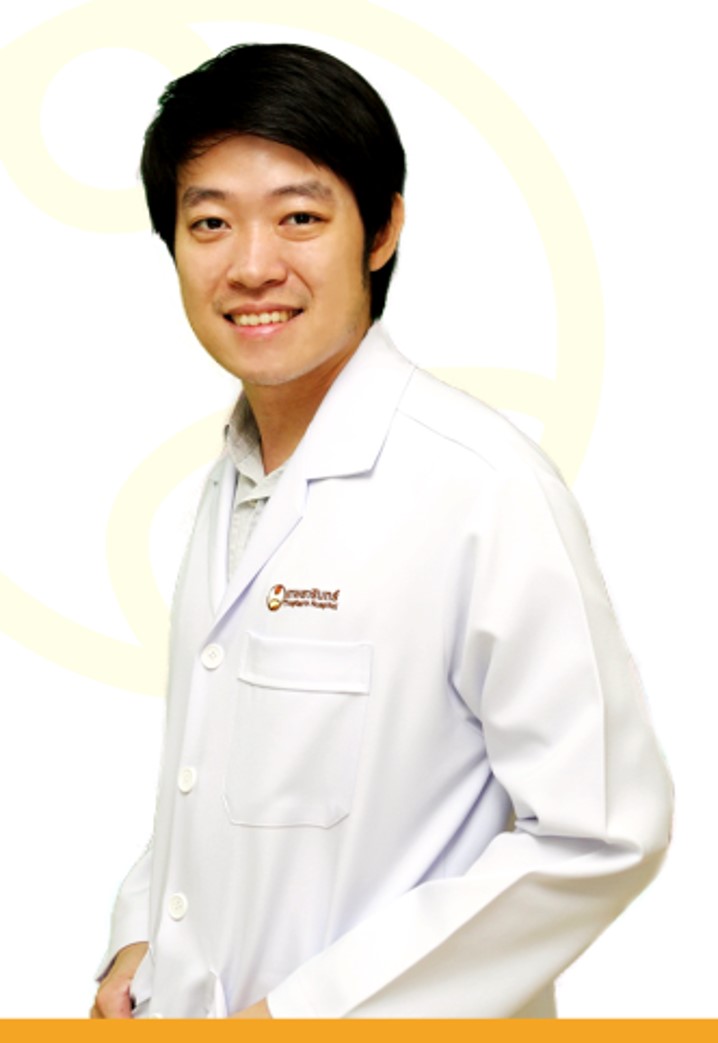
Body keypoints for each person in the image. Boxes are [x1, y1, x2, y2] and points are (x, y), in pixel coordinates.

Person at [91, 42, 671, 1019]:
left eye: (300, 217)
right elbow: (217, 782)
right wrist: (140, 937)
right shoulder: (236, 480)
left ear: (381, 231)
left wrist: (311, 1016)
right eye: (210, 222)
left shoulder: (479, 486)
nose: (252, 266)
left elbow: (601, 831)